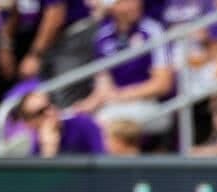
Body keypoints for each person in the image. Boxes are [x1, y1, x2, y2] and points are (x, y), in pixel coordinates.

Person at [74, 0, 174, 136]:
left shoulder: (152, 30)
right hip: (116, 104)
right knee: (76, 123)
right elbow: (103, 88)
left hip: (151, 104)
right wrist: (84, 107)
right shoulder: (103, 36)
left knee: (104, 125)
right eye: (125, 1)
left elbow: (163, 84)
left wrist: (121, 95)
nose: (135, 4)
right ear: (111, 6)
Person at [17, 88, 105, 153]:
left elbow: (103, 161)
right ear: (29, 123)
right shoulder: (37, 150)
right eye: (40, 112)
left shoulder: (82, 124)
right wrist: (49, 149)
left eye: (50, 103)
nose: (50, 112)